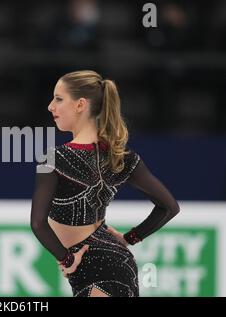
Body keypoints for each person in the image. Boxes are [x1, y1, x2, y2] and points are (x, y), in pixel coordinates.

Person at [30, 70, 180, 297]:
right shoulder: (122, 157)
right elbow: (169, 207)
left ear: (80, 105)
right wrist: (130, 238)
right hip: (117, 264)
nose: (51, 106)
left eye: (59, 99)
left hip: (95, 271)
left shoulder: (54, 159)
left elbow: (38, 224)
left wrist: (67, 259)